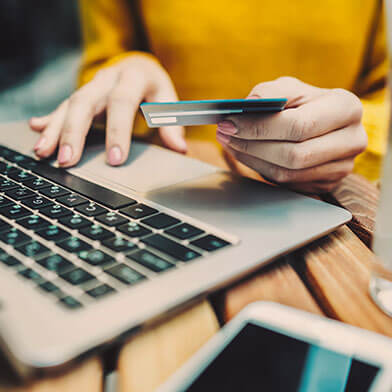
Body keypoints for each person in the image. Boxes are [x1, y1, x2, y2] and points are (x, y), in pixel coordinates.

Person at [30, 0, 388, 194]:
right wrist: (127, 70)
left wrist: (354, 138)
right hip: (157, 184)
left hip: (331, 198)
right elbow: (102, 65)